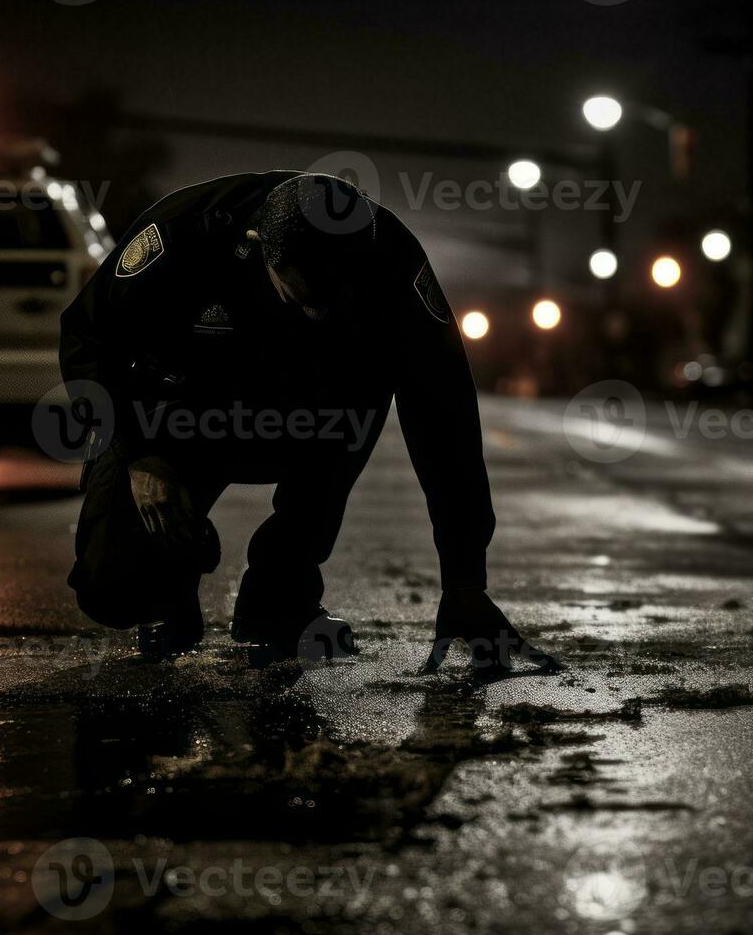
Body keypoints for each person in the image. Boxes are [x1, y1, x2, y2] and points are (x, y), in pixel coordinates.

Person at [60, 171, 563, 673]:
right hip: (178, 416)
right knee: (111, 590)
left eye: (336, 300)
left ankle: (282, 598)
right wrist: (136, 452)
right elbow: (87, 337)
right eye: (304, 297)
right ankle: (170, 572)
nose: (319, 314)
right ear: (260, 250)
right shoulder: (186, 231)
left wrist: (464, 582)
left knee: (365, 390)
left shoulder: (394, 265)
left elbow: (445, 418)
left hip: (315, 420)